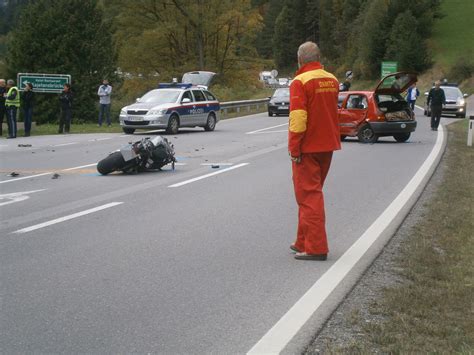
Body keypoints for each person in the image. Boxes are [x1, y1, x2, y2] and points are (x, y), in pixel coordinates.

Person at [288, 41, 341, 261]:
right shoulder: (332, 79)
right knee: (311, 194)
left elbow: (298, 118)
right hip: (327, 145)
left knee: (308, 196)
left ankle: (316, 248)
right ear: (319, 58)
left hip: (308, 147)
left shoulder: (300, 81)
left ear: (300, 59)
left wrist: (294, 147)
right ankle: (303, 241)